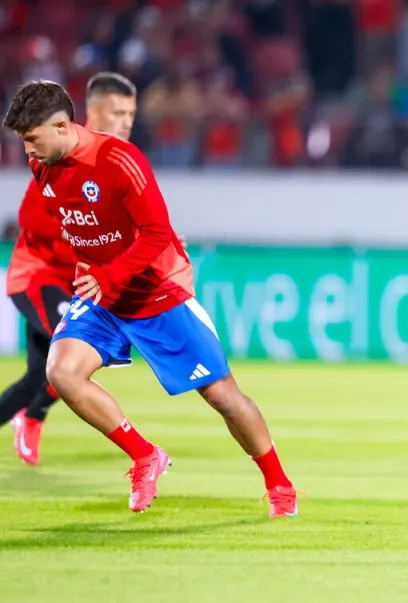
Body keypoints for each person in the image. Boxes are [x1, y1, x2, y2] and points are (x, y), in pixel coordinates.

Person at [2, 80, 297, 518]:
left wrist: (109, 272)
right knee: (61, 372)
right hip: (102, 298)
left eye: (31, 140)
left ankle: (279, 485)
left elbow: (157, 234)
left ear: (62, 125)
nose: (27, 152)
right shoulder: (44, 166)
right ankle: (144, 456)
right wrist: (90, 268)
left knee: (222, 397)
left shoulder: (119, 160)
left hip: (155, 294)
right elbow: (82, 225)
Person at [4, 72, 141, 465]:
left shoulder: (120, 161)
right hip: (38, 277)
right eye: (118, 112)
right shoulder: (58, 155)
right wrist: (87, 227)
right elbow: (34, 218)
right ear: (93, 114)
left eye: (131, 113)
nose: (127, 121)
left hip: (76, 283)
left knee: (39, 376)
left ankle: (29, 417)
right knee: (70, 358)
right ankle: (32, 417)